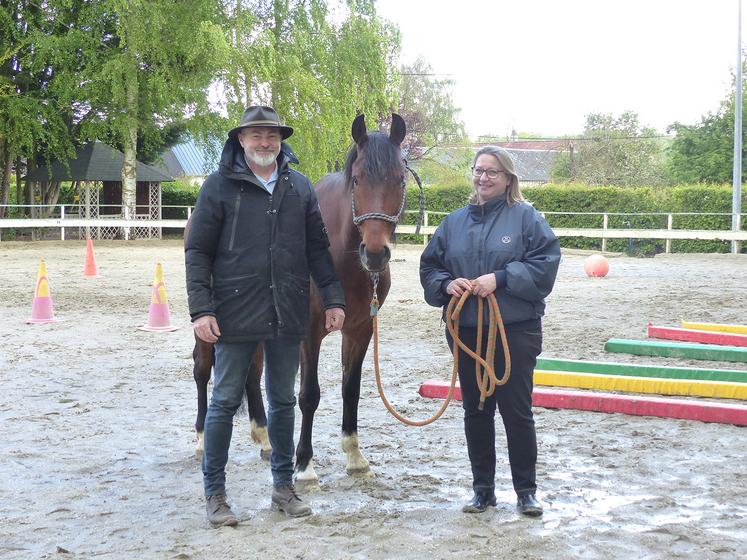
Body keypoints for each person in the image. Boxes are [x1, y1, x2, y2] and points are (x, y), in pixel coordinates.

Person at [185, 105, 346, 527]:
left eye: (271, 135)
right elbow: (197, 251)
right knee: (222, 401)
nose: (264, 142)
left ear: (280, 140)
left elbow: (317, 249)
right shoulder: (218, 187)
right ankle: (215, 494)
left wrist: (333, 298)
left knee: (283, 400)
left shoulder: (299, 187)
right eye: (256, 135)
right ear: (241, 139)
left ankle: (283, 487)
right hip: (234, 312)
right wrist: (201, 309)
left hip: (287, 310)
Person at [419, 146, 560, 517]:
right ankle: (482, 489)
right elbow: (430, 267)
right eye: (479, 170)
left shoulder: (527, 219)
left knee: (516, 411)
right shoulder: (453, 223)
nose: (483, 178)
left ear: (508, 178)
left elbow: (545, 267)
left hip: (514, 330)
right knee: (476, 409)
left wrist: (498, 278)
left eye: (492, 172)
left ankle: (526, 490)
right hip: (466, 332)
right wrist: (446, 285)